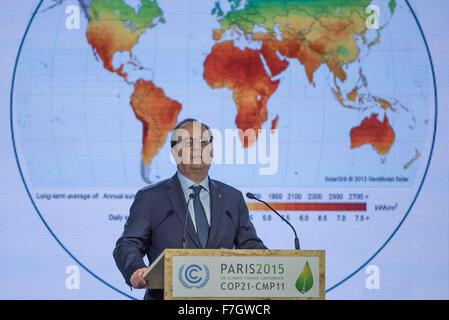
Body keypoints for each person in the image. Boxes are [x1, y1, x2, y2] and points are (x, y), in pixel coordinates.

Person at [113, 118, 266, 300]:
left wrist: (275, 266)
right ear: (174, 153)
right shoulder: (151, 198)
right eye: (188, 143)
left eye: (203, 142)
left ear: (212, 151)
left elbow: (249, 245)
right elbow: (128, 244)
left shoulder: (232, 197)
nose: (197, 148)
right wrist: (135, 269)